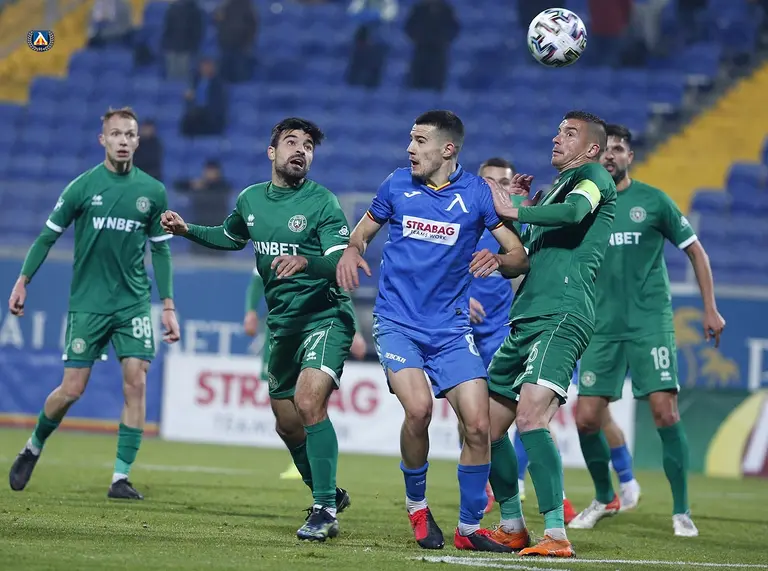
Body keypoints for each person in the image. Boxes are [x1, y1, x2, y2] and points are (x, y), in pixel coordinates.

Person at [336, 110, 529, 552]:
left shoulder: (478, 195)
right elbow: (362, 233)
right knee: (419, 409)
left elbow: (519, 255)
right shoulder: (396, 185)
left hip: (451, 331)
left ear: (447, 149)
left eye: (420, 140)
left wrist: (500, 261)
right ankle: (417, 507)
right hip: (397, 323)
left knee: (478, 425)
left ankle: (468, 528)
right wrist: (351, 249)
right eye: (410, 139)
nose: (410, 148)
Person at [161, 117, 355, 543]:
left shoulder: (323, 202)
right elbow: (230, 237)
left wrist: (306, 261)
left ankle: (324, 509)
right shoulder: (250, 199)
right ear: (272, 152)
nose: (301, 150)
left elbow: (340, 262)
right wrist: (186, 230)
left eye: (308, 145)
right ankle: (328, 491)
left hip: (324, 316)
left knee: (308, 402)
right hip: (283, 325)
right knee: (287, 424)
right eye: (292, 142)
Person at [8, 107, 180, 500]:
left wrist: (168, 305)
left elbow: (161, 251)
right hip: (88, 304)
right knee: (72, 389)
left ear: (138, 141)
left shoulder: (153, 192)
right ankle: (34, 445)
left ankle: (120, 477)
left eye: (129, 134)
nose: (123, 141)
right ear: (103, 139)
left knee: (136, 382)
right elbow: (47, 237)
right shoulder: (82, 188)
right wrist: (22, 281)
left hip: (133, 304)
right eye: (116, 134)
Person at [568, 124, 725, 537]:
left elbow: (696, 251)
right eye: (605, 149)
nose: (610, 155)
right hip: (600, 326)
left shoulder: (654, 201)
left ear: (629, 157)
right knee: (585, 419)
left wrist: (710, 308)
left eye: (618, 149)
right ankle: (604, 497)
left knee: (664, 411)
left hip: (649, 323)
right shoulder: (582, 204)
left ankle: (681, 510)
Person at [483, 110, 617, 557]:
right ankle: (511, 525)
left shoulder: (595, 176)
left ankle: (557, 534)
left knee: (530, 418)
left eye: (569, 133)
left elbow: (576, 212)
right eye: (558, 130)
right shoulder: (553, 190)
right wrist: (520, 211)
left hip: (563, 313)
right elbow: (524, 259)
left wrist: (517, 208)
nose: (557, 138)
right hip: (525, 316)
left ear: (592, 148)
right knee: (485, 426)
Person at [468, 158, 576, 523]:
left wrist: (520, 208)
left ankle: (553, 496)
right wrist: (458, 299)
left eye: (503, 182)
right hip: (461, 330)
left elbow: (527, 260)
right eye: (489, 181)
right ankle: (489, 489)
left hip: (503, 329)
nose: (496, 188)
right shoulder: (463, 219)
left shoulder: (508, 226)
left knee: (532, 413)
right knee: (474, 417)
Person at [243, 269, 368, 480]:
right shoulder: (269, 249)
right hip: (280, 331)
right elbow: (257, 279)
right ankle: (305, 459)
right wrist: (250, 311)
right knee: (285, 416)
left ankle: (317, 472)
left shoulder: (320, 251)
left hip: (318, 328)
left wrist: (354, 329)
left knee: (310, 399)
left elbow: (339, 285)